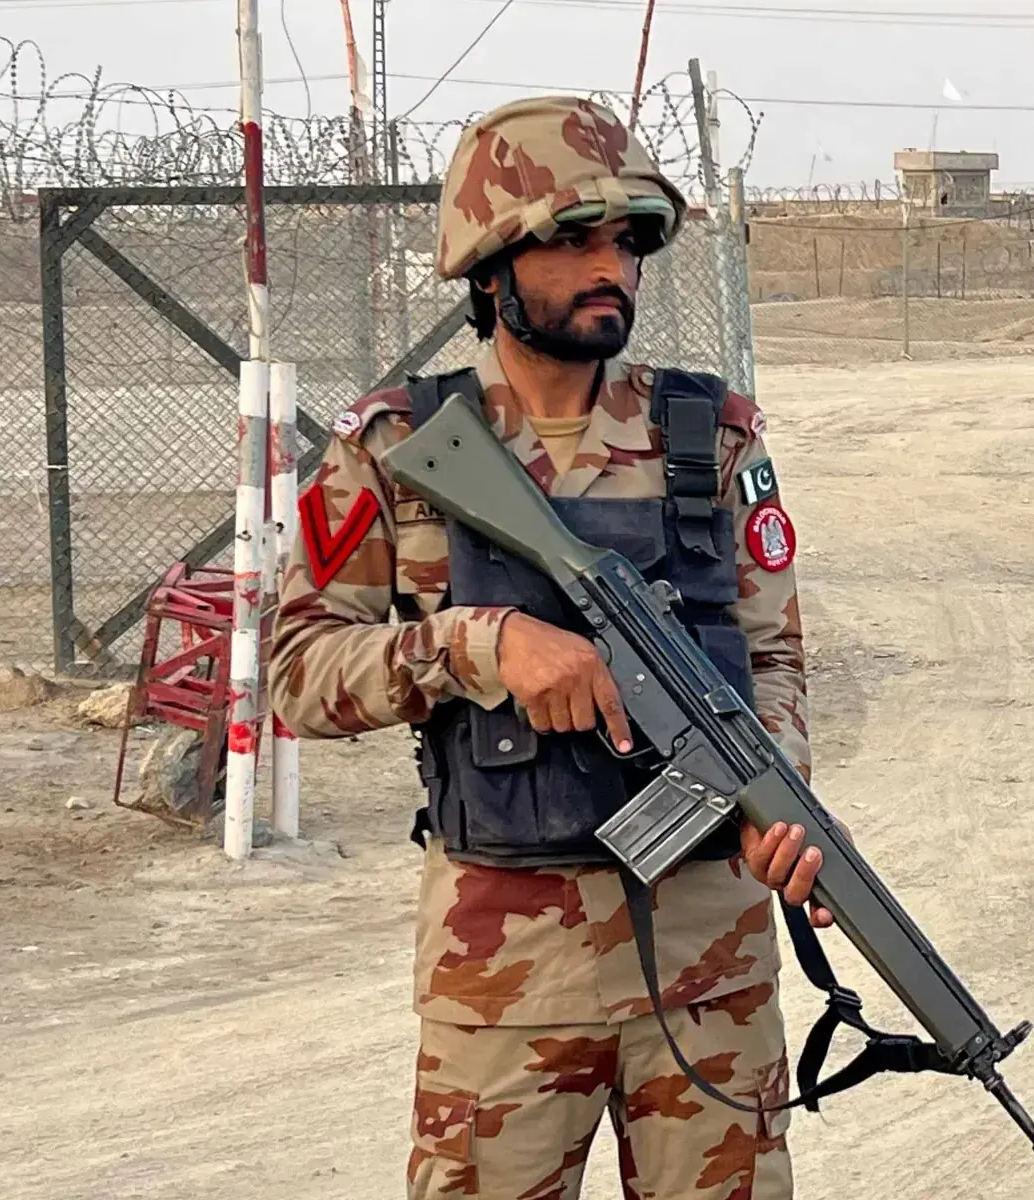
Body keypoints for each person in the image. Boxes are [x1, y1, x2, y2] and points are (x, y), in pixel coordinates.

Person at [271, 95, 821, 1200]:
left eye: (625, 240)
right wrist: (481, 645)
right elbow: (297, 674)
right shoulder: (399, 445)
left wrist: (783, 796)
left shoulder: (708, 436)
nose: (609, 264)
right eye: (573, 240)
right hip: (503, 981)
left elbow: (772, 659)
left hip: (712, 976)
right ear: (490, 268)